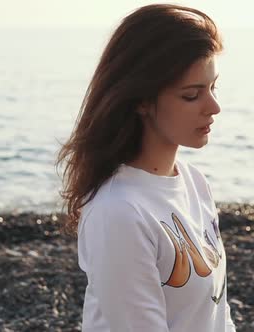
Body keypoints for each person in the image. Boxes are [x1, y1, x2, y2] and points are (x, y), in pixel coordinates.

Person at [55, 4, 236, 331]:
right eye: (191, 95)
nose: (214, 107)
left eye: (213, 88)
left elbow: (218, 315)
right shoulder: (119, 213)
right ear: (141, 100)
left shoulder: (194, 183)